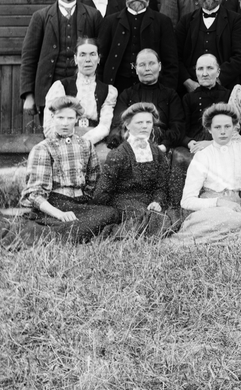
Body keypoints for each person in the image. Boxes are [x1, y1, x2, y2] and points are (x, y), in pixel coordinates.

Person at [3, 97, 119, 245]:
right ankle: (44, 233)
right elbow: (35, 194)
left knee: (111, 213)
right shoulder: (43, 148)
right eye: (60, 118)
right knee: (89, 222)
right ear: (52, 117)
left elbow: (93, 181)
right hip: (55, 203)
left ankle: (66, 230)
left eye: (70, 118)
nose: (65, 123)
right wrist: (59, 214)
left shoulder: (86, 145)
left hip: (79, 203)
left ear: (77, 119)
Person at [172, 103, 241, 245]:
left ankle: (220, 239)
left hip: (237, 210)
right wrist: (219, 202)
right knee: (220, 221)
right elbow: (187, 201)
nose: (223, 132)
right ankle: (236, 239)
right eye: (217, 127)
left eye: (227, 126)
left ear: (234, 127)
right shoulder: (202, 156)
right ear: (209, 129)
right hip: (210, 212)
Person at [21, 0, 104, 116]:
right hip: (48, 89)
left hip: (84, 90)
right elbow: (29, 58)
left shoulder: (93, 16)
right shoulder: (40, 17)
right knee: (51, 129)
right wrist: (29, 95)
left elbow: (101, 54)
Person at [90, 102, 180, 238]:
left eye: (148, 122)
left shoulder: (157, 152)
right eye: (139, 122)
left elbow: (161, 186)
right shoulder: (118, 154)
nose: (144, 126)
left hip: (148, 201)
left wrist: (157, 201)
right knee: (146, 218)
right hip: (123, 201)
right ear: (128, 125)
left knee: (167, 217)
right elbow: (103, 190)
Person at [98, 0, 179, 93]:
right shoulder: (110, 21)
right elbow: (100, 60)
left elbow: (171, 62)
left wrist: (165, 92)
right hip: (116, 88)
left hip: (153, 89)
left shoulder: (162, 22)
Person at [176, 0, 241, 92]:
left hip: (225, 90)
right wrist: (188, 83)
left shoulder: (234, 20)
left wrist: (217, 81)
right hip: (191, 91)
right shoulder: (186, 21)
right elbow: (176, 57)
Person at [42, 37, 116, 152]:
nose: (88, 60)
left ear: (98, 59)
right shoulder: (60, 87)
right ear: (76, 59)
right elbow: (50, 125)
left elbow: (104, 127)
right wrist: (67, 144)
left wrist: (81, 144)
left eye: (92, 54)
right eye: (82, 55)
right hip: (63, 144)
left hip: (94, 143)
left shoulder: (108, 91)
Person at [108, 49, 186, 150]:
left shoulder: (171, 95)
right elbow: (118, 124)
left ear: (159, 66)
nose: (147, 69)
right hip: (130, 146)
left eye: (152, 63)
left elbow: (177, 126)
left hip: (161, 147)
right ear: (136, 69)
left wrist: (164, 146)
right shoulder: (127, 95)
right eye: (142, 65)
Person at [180, 54, 232, 162]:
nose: (204, 74)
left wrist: (213, 143)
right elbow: (182, 129)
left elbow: (232, 128)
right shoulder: (188, 98)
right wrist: (189, 142)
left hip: (222, 143)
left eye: (210, 68)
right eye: (200, 69)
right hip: (195, 144)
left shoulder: (228, 95)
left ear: (218, 72)